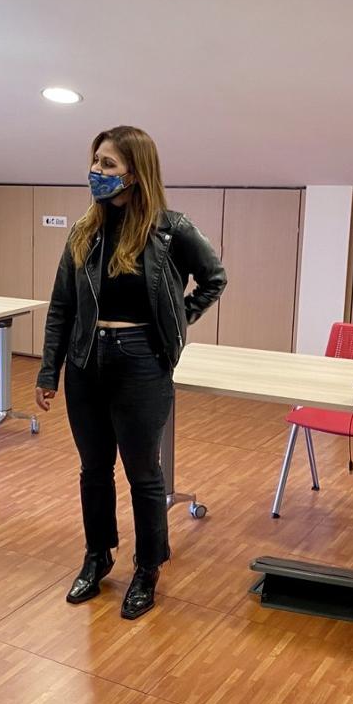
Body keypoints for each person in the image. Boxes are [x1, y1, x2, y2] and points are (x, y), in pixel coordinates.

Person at [35, 125, 226, 621]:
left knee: (144, 474)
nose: (96, 172)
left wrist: (176, 320)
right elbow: (61, 306)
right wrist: (47, 370)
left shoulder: (170, 229)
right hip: (85, 363)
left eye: (108, 164)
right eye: (95, 162)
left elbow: (215, 278)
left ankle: (147, 568)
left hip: (141, 360)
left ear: (136, 174)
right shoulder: (84, 230)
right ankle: (97, 557)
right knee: (93, 470)